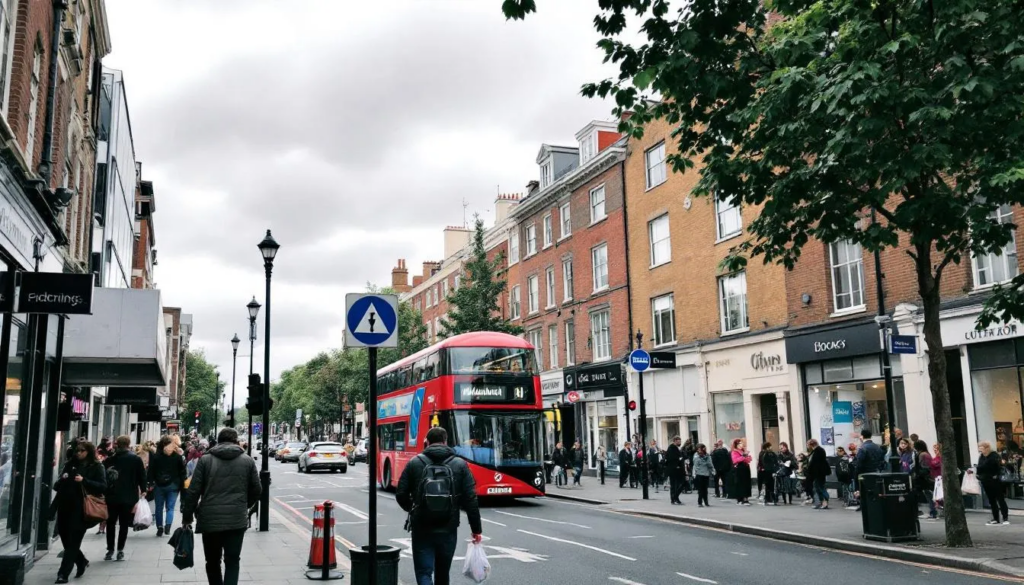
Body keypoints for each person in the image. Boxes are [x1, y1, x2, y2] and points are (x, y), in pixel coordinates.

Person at [396, 426, 482, 585]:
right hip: (448, 527)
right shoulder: (460, 464)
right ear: (445, 441)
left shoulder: (415, 463)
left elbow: (401, 494)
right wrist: (476, 529)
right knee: (443, 573)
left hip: (421, 526)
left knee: (423, 572)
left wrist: (413, 508)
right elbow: (471, 499)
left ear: (427, 442)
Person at [182, 428, 262, 585]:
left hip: (210, 518)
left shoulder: (205, 460)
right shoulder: (247, 461)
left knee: (212, 561)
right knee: (232, 561)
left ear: (218, 441)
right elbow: (257, 490)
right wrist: (244, 505)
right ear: (236, 441)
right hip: (236, 519)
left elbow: (193, 491)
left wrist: (187, 517)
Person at [52, 441, 106, 583]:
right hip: (65, 507)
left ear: (89, 451)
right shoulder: (70, 464)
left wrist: (84, 480)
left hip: (81, 510)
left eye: (82, 450)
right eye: (77, 450)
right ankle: (81, 561)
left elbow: (102, 486)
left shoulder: (96, 466)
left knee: (73, 543)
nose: (78, 453)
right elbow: (58, 485)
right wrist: (62, 480)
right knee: (65, 539)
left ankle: (63, 574)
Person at [103, 435, 147, 561]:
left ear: (117, 444)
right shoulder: (135, 459)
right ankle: (120, 549)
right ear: (128, 444)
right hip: (128, 496)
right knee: (123, 523)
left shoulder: (110, 460)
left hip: (112, 495)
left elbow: (104, 476)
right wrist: (143, 490)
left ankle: (110, 549)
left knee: (110, 523)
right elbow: (142, 476)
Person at [149, 435, 188, 537]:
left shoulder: (156, 457)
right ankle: (168, 526)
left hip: (159, 485)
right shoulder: (177, 457)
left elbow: (151, 471)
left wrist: (150, 482)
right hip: (173, 485)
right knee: (170, 507)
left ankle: (159, 527)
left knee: (159, 507)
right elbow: (182, 472)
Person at [975, 441, 1009, 526]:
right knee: (991, 500)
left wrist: (995, 474)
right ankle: (996, 518)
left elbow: (998, 467)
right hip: (986, 481)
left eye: (981, 447)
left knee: (1000, 499)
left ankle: (1005, 518)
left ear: (986, 448)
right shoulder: (982, 457)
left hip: (995, 480)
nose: (979, 449)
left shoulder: (994, 456)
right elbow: (979, 467)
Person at [912, 440, 937, 519]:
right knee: (928, 494)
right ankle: (932, 511)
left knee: (928, 494)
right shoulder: (924, 454)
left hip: (924, 478)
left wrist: (918, 473)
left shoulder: (923, 454)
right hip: (924, 477)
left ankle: (933, 511)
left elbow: (924, 466)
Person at [807, 439, 830, 510]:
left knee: (820, 487)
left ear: (811, 445)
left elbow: (816, 464)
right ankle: (822, 501)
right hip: (818, 473)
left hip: (819, 473)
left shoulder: (818, 451)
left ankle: (825, 501)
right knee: (818, 487)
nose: (808, 447)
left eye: (808, 445)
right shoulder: (816, 451)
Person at [730, 439, 752, 505]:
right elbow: (735, 460)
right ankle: (740, 499)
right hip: (739, 469)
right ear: (736, 445)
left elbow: (748, 459)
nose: (741, 445)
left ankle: (746, 498)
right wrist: (743, 456)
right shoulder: (734, 452)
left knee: (747, 483)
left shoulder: (743, 451)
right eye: (739, 444)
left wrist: (748, 457)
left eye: (741, 443)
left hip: (746, 468)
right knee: (740, 484)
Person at [665, 436, 685, 505]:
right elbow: (670, 459)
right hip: (673, 470)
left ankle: (675, 497)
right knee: (674, 485)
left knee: (680, 484)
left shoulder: (676, 448)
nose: (680, 442)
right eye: (679, 441)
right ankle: (673, 498)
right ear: (675, 441)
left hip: (678, 470)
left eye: (680, 441)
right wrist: (678, 461)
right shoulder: (671, 448)